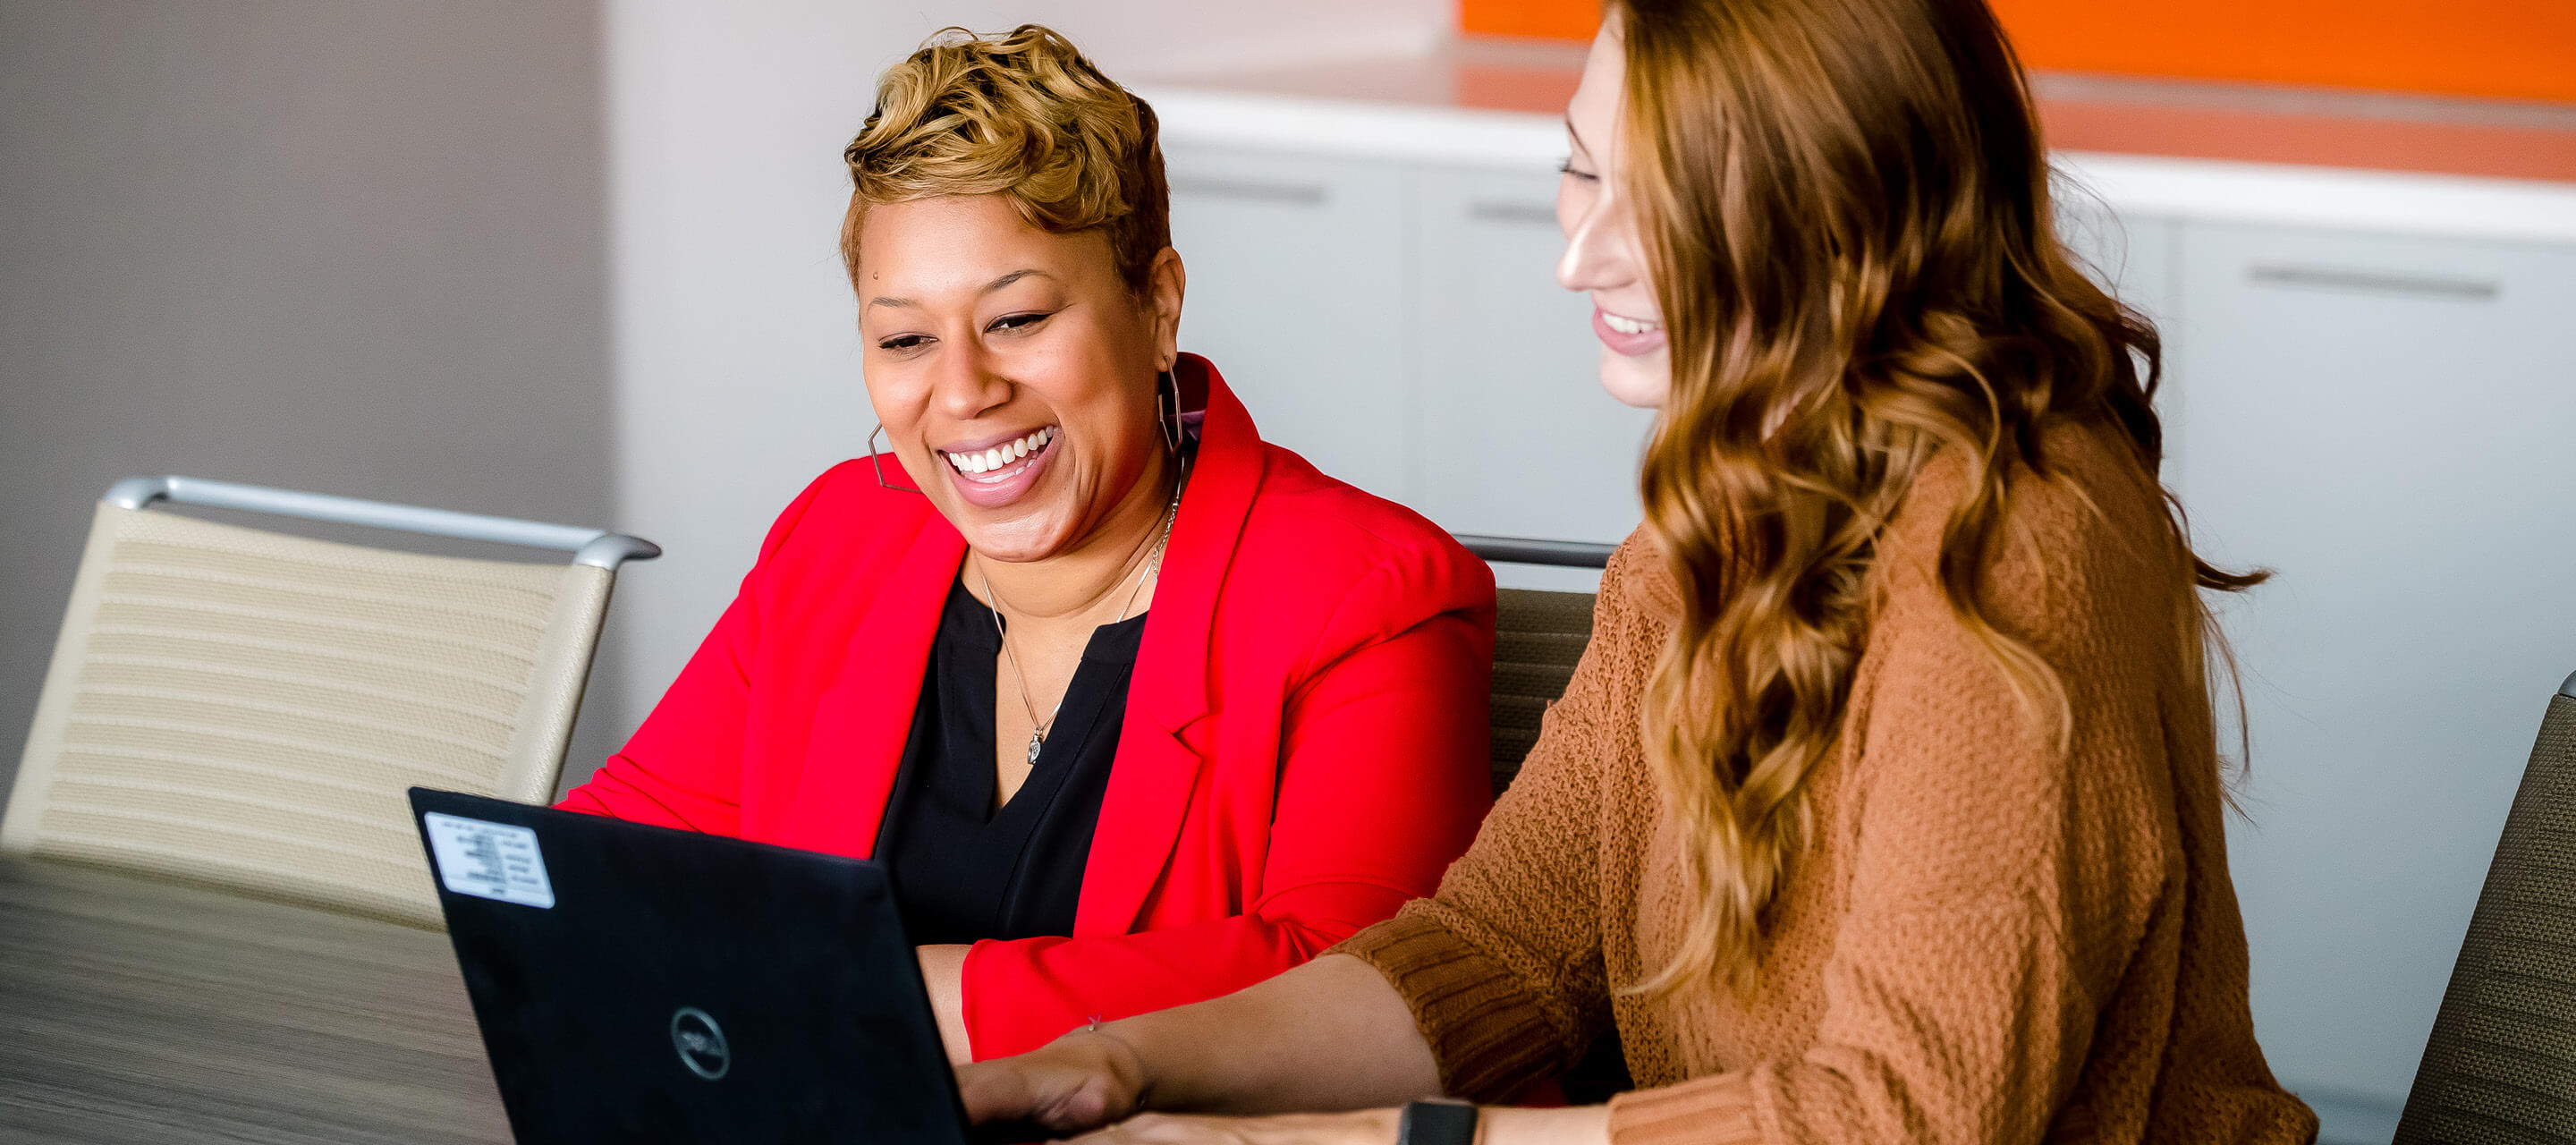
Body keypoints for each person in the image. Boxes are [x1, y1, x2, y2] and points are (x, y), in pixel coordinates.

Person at [954, 0, 2323, 1141]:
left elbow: (1907, 1114)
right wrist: (1126, 1063)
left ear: (1850, 211)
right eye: (1581, 168)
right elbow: (1495, 957)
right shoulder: (1704, 524)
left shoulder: (2012, 538)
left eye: (1661, 199)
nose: (1577, 254)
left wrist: (1403, 1141)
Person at [558, 25, 1496, 1065]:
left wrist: (885, 990)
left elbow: (1364, 993)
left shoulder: (1364, 595)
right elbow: (603, 870)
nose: (962, 392)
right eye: (906, 338)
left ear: (1158, 305)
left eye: (1017, 319)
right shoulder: (840, 535)